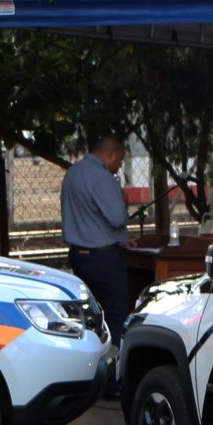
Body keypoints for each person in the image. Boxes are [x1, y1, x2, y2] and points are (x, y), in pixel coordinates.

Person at [60, 134, 131, 392]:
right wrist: (123, 203)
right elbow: (115, 217)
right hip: (103, 258)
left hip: (79, 255)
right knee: (116, 314)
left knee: (88, 316)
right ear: (111, 155)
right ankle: (113, 379)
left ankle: (85, 375)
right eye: (120, 159)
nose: (120, 165)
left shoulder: (74, 173)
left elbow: (88, 218)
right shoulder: (103, 178)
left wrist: (119, 240)